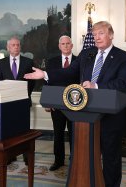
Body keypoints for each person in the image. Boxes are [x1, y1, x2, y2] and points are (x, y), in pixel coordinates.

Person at [24, 21, 126, 187]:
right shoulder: (87, 54)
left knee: (111, 158)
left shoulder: (122, 57)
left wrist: (95, 86)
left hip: (110, 118)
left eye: (101, 33)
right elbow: (69, 72)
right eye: (94, 34)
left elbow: (121, 83)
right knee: (85, 156)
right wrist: (45, 74)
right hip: (85, 115)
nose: (97, 37)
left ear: (111, 35)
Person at [0, 36, 35, 165]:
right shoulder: (1, 63)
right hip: (6, 104)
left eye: (18, 45)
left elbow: (32, 83)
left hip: (23, 102)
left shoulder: (28, 62)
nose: (16, 47)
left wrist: (23, 95)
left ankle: (26, 157)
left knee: (24, 131)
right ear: (8, 47)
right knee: (9, 130)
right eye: (13, 45)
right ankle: (10, 156)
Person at [45, 35, 77, 171]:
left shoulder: (79, 61)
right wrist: (48, 101)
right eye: (62, 44)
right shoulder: (51, 62)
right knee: (58, 133)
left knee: (74, 134)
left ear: (72, 45)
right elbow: (48, 82)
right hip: (56, 105)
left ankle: (75, 160)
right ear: (59, 46)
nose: (65, 46)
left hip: (75, 104)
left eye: (67, 43)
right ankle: (58, 161)